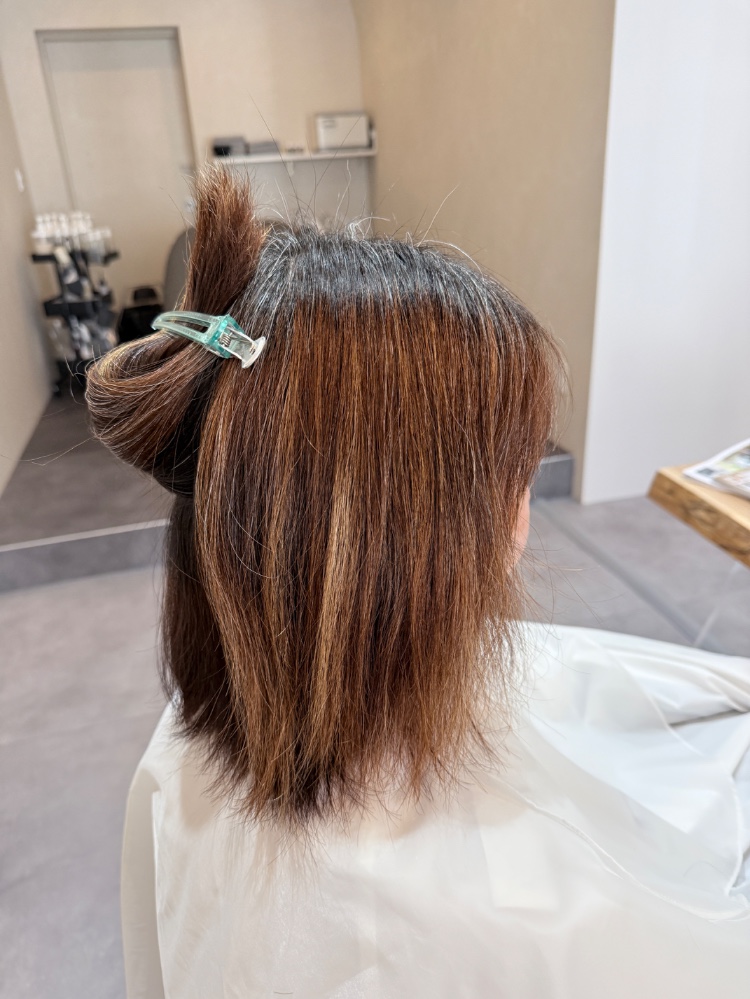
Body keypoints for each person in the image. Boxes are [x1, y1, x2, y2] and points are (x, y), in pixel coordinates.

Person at [86, 168, 750, 999]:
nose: (525, 504)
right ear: (420, 542)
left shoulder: (182, 756)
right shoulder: (535, 920)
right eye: (515, 471)